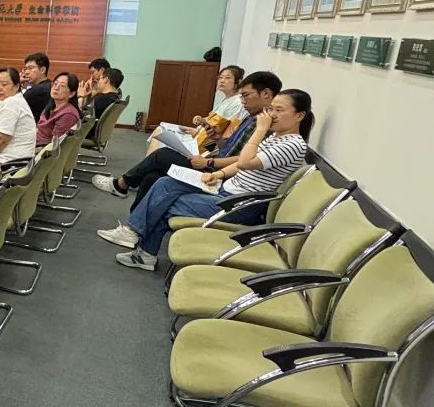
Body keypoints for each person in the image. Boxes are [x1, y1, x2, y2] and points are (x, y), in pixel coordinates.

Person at [104, 89, 313, 271]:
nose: (272, 115)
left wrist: (260, 130)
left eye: (279, 110)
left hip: (238, 205)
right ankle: (133, 233)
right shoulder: (277, 137)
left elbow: (245, 162)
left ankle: (143, 251)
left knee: (166, 202)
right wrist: (217, 174)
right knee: (165, 183)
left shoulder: (292, 145)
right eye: (271, 109)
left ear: (299, 115)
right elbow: (241, 161)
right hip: (226, 190)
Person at [94, 72, 281, 241]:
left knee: (162, 156)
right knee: (153, 177)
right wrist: (217, 139)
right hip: (218, 167)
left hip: (220, 175)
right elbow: (232, 149)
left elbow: (243, 161)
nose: (242, 100)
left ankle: (122, 186)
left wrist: (209, 162)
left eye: (246, 95)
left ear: (265, 94)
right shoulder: (251, 118)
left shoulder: (265, 126)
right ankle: (134, 229)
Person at [0, 67, 36, 165]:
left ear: (16, 86)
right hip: (14, 160)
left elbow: (2, 141)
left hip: (11, 163)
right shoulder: (7, 100)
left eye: (4, 84)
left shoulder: (12, 103)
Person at [35, 72, 80, 145]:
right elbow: (39, 128)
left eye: (62, 86)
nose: (56, 88)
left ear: (71, 93)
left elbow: (55, 145)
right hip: (34, 141)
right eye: (55, 84)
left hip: (40, 147)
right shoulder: (52, 105)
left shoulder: (68, 115)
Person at [78, 67, 124, 136]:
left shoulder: (102, 99)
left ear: (106, 80)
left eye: (100, 78)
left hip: (85, 131)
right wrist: (90, 94)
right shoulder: (114, 97)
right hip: (96, 131)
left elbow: (79, 115)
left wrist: (80, 96)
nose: (98, 82)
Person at [20, 52, 52, 121]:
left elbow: (14, 106)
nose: (26, 72)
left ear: (42, 70)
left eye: (30, 68)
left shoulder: (35, 91)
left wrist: (17, 84)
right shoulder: (50, 85)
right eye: (25, 69)